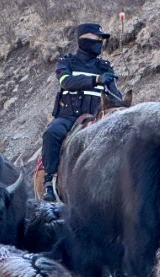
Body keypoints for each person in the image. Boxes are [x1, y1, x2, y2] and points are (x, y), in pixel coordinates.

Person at [41, 23, 124, 202]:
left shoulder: (105, 67)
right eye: (97, 39)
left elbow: (115, 95)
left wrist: (119, 99)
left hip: (95, 118)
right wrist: (97, 80)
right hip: (67, 117)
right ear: (83, 40)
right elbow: (66, 82)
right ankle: (49, 180)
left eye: (101, 40)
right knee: (51, 133)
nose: (100, 43)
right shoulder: (66, 63)